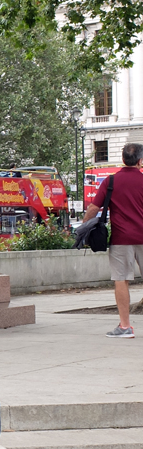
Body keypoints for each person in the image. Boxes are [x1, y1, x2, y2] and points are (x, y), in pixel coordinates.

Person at [82, 142, 143, 337]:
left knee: (121, 280)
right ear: (140, 161)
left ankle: (125, 327)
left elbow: (93, 208)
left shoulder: (110, 181)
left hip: (121, 238)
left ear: (123, 159)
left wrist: (83, 228)